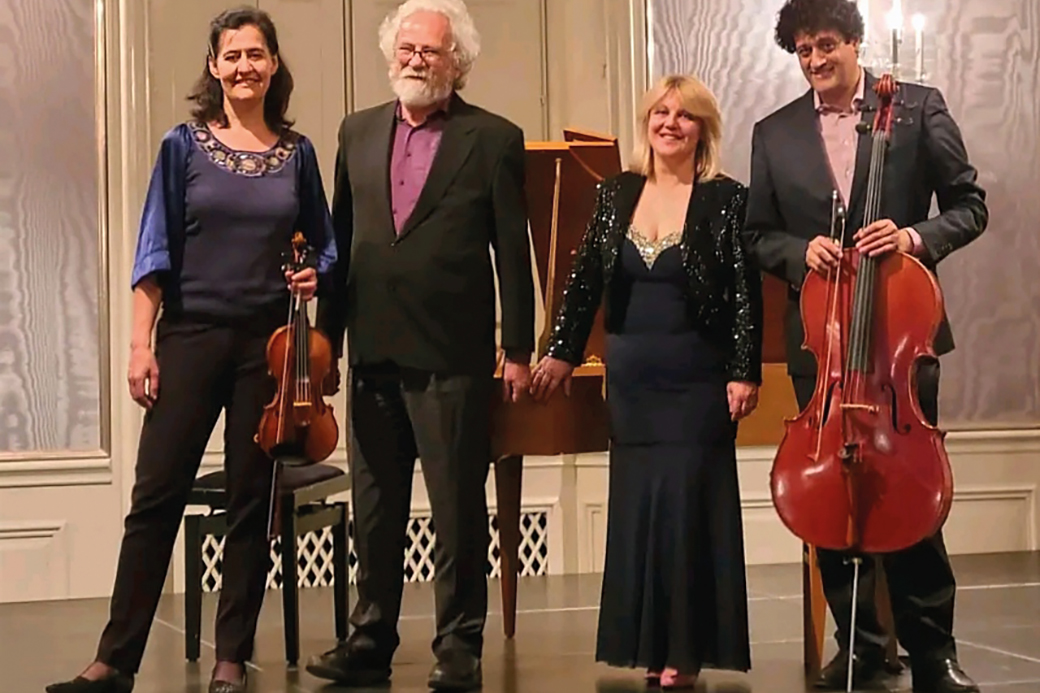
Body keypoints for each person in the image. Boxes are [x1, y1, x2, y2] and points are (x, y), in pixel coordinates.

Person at [45, 8, 336, 693]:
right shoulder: (183, 146)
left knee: (250, 502)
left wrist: (312, 274)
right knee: (155, 496)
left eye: (255, 54)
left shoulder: (298, 155)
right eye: (231, 55)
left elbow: (324, 245)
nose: (244, 66)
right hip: (189, 337)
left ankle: (231, 657)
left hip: (268, 349)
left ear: (273, 65)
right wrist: (139, 346)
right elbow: (154, 252)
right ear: (214, 66)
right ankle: (115, 660)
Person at [742, 1, 987, 691]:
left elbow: (970, 206)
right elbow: (757, 234)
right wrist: (800, 250)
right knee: (831, 496)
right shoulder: (773, 132)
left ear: (854, 41)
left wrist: (911, 238)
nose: (815, 60)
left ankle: (933, 652)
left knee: (912, 494)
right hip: (822, 346)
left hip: (900, 345)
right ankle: (858, 647)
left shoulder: (915, 107)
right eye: (802, 50)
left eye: (826, 44)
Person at [305, 0, 534, 689]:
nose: (415, 59)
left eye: (430, 50)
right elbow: (339, 245)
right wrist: (325, 339)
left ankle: (458, 647)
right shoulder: (356, 131)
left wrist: (518, 349)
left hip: (452, 358)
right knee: (375, 510)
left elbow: (512, 253)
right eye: (406, 48)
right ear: (390, 54)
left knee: (458, 511)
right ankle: (369, 638)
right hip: (372, 351)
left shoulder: (493, 138)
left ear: (456, 62)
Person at [530, 74, 762, 690]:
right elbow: (584, 279)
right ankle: (649, 644)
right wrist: (561, 351)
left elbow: (744, 294)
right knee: (641, 512)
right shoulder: (616, 192)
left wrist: (743, 370)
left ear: (703, 129)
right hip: (632, 379)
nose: (670, 124)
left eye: (684, 115)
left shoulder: (726, 199)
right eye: (661, 112)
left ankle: (685, 648)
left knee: (687, 510)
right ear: (646, 122)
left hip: (697, 379)